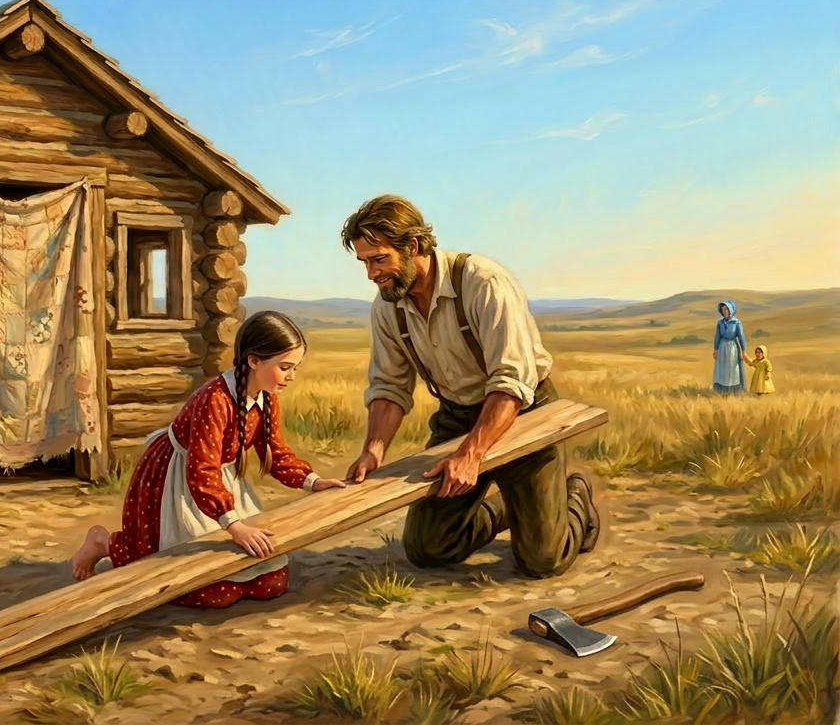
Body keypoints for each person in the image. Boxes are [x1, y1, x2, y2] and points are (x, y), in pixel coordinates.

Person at [340, 194, 600, 579]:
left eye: (379, 259)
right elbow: (389, 386)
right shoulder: (388, 306)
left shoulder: (483, 282)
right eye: (364, 262)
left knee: (543, 560)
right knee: (428, 547)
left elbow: (511, 381)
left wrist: (472, 455)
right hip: (458, 416)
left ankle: (573, 496)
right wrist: (374, 450)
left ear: (412, 247)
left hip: (524, 412)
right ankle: (513, 510)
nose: (371, 274)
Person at [70, 311, 346, 608]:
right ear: (254, 361)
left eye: (295, 368)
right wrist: (235, 526)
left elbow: (276, 453)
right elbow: (201, 469)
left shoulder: (266, 398)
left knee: (271, 582)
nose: (292, 376)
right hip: (182, 480)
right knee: (202, 588)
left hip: (220, 481)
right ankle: (103, 542)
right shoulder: (215, 399)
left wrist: (313, 482)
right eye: (285, 367)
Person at [712, 300, 748, 395]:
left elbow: (741, 336)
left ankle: (733, 391)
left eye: (726, 309)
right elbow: (717, 336)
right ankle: (722, 391)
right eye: (723, 309)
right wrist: (715, 349)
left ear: (731, 310)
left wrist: (743, 350)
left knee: (732, 368)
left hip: (733, 347)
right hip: (722, 346)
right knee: (722, 368)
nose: (724, 311)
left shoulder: (736, 323)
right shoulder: (720, 323)